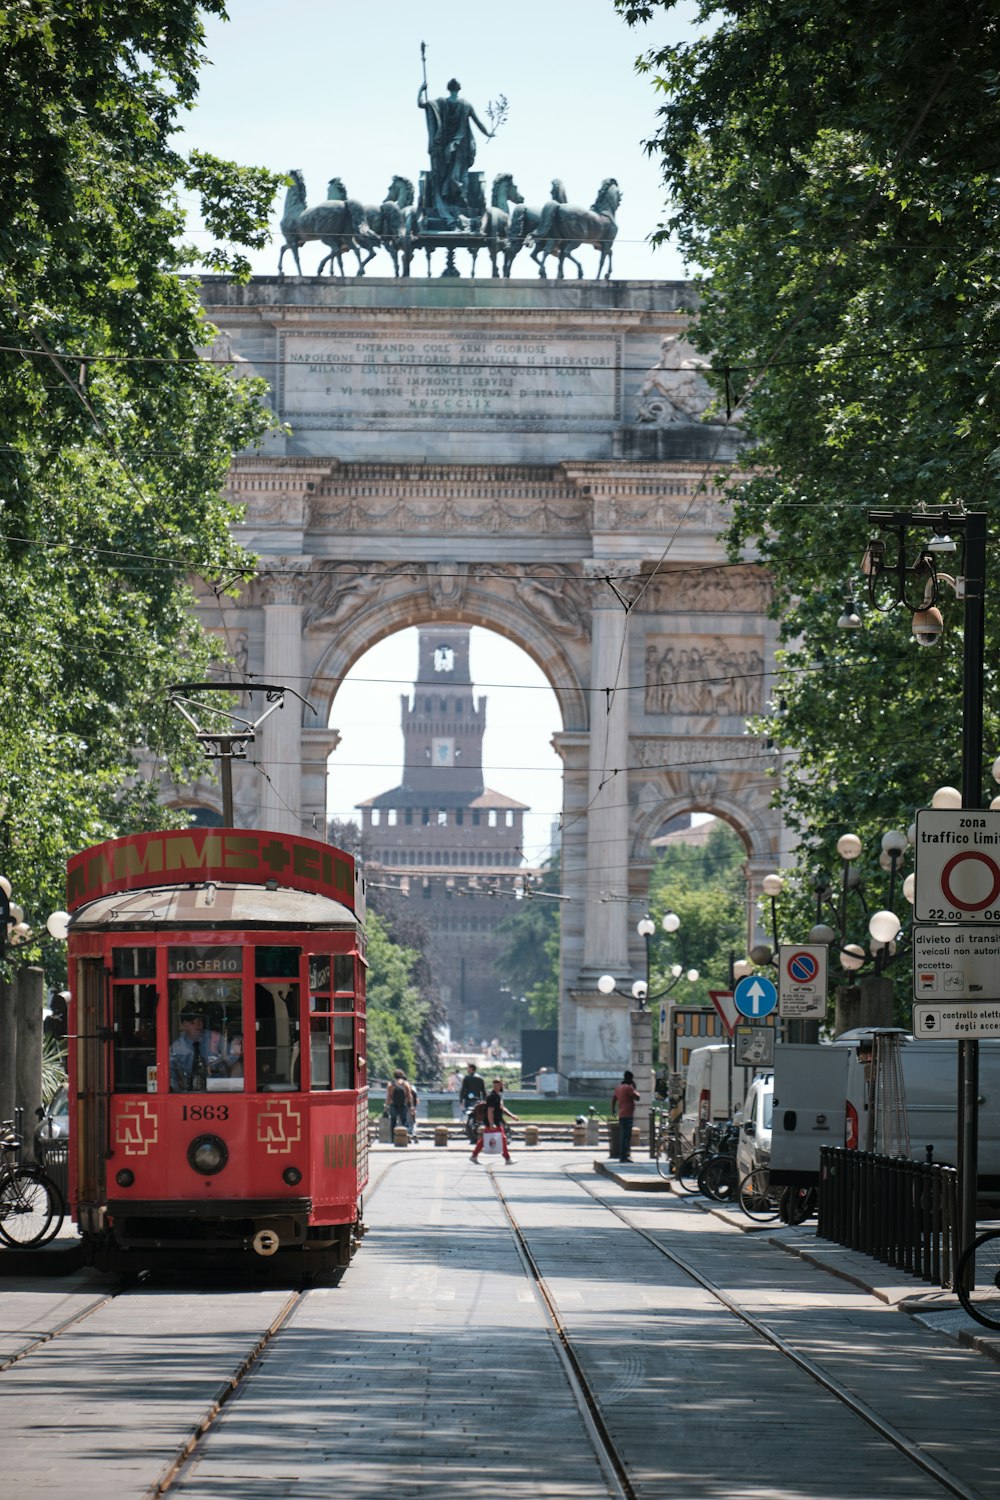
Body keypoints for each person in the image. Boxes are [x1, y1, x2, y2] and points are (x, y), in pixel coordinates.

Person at [417, 76, 492, 227]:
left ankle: (455, 206)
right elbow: (479, 123)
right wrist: (488, 133)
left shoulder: (439, 103)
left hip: (445, 148)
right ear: (459, 89)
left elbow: (421, 104)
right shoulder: (466, 104)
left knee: (449, 176)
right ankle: (460, 204)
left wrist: (421, 90)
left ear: (449, 88)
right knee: (460, 177)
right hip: (461, 147)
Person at [169, 1008, 228, 1092]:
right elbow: (171, 1078)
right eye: (192, 1023)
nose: (197, 1026)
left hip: (217, 1092)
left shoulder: (216, 1039)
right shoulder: (175, 1048)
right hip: (185, 1096)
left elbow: (232, 1063)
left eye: (199, 1021)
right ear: (182, 1025)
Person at [470, 1077, 518, 1164]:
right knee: (502, 1138)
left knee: (484, 1139)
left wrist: (512, 1116)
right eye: (495, 1084)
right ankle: (507, 1158)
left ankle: (474, 1156)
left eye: (498, 1084)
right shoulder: (492, 1097)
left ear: (501, 1085)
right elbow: (490, 1111)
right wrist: (492, 1123)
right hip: (494, 1121)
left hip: (495, 1121)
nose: (497, 1086)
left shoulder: (497, 1096)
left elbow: (502, 1108)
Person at [611, 1069, 641, 1163]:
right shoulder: (628, 1088)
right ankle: (624, 1156)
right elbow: (637, 1097)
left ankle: (622, 1155)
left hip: (621, 1114)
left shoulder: (618, 1087)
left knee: (623, 1136)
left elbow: (613, 1099)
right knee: (626, 1136)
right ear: (630, 1078)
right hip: (628, 1115)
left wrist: (613, 1110)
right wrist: (634, 1087)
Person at [386, 1069, 413, 1138]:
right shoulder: (406, 1084)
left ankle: (393, 1137)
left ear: (394, 1076)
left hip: (393, 1105)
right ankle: (405, 1137)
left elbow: (388, 1097)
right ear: (402, 1075)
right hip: (403, 1105)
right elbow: (409, 1096)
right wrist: (411, 1106)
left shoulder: (391, 1085)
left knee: (393, 1121)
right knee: (404, 1121)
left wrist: (386, 1105)